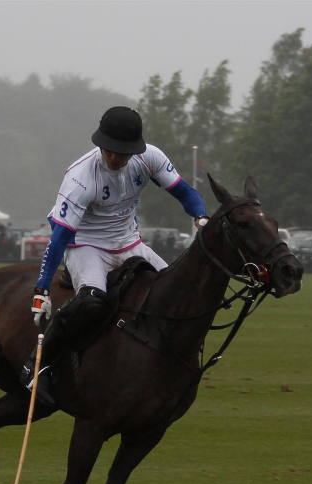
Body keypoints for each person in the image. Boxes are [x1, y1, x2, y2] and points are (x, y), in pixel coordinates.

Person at [23, 106, 209, 404]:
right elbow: (59, 238)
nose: (115, 157)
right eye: (109, 150)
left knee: (177, 291)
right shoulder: (81, 178)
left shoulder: (150, 158)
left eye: (123, 152)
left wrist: (201, 218)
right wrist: (41, 290)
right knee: (92, 302)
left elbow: (185, 193)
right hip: (86, 244)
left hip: (128, 242)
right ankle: (37, 364)